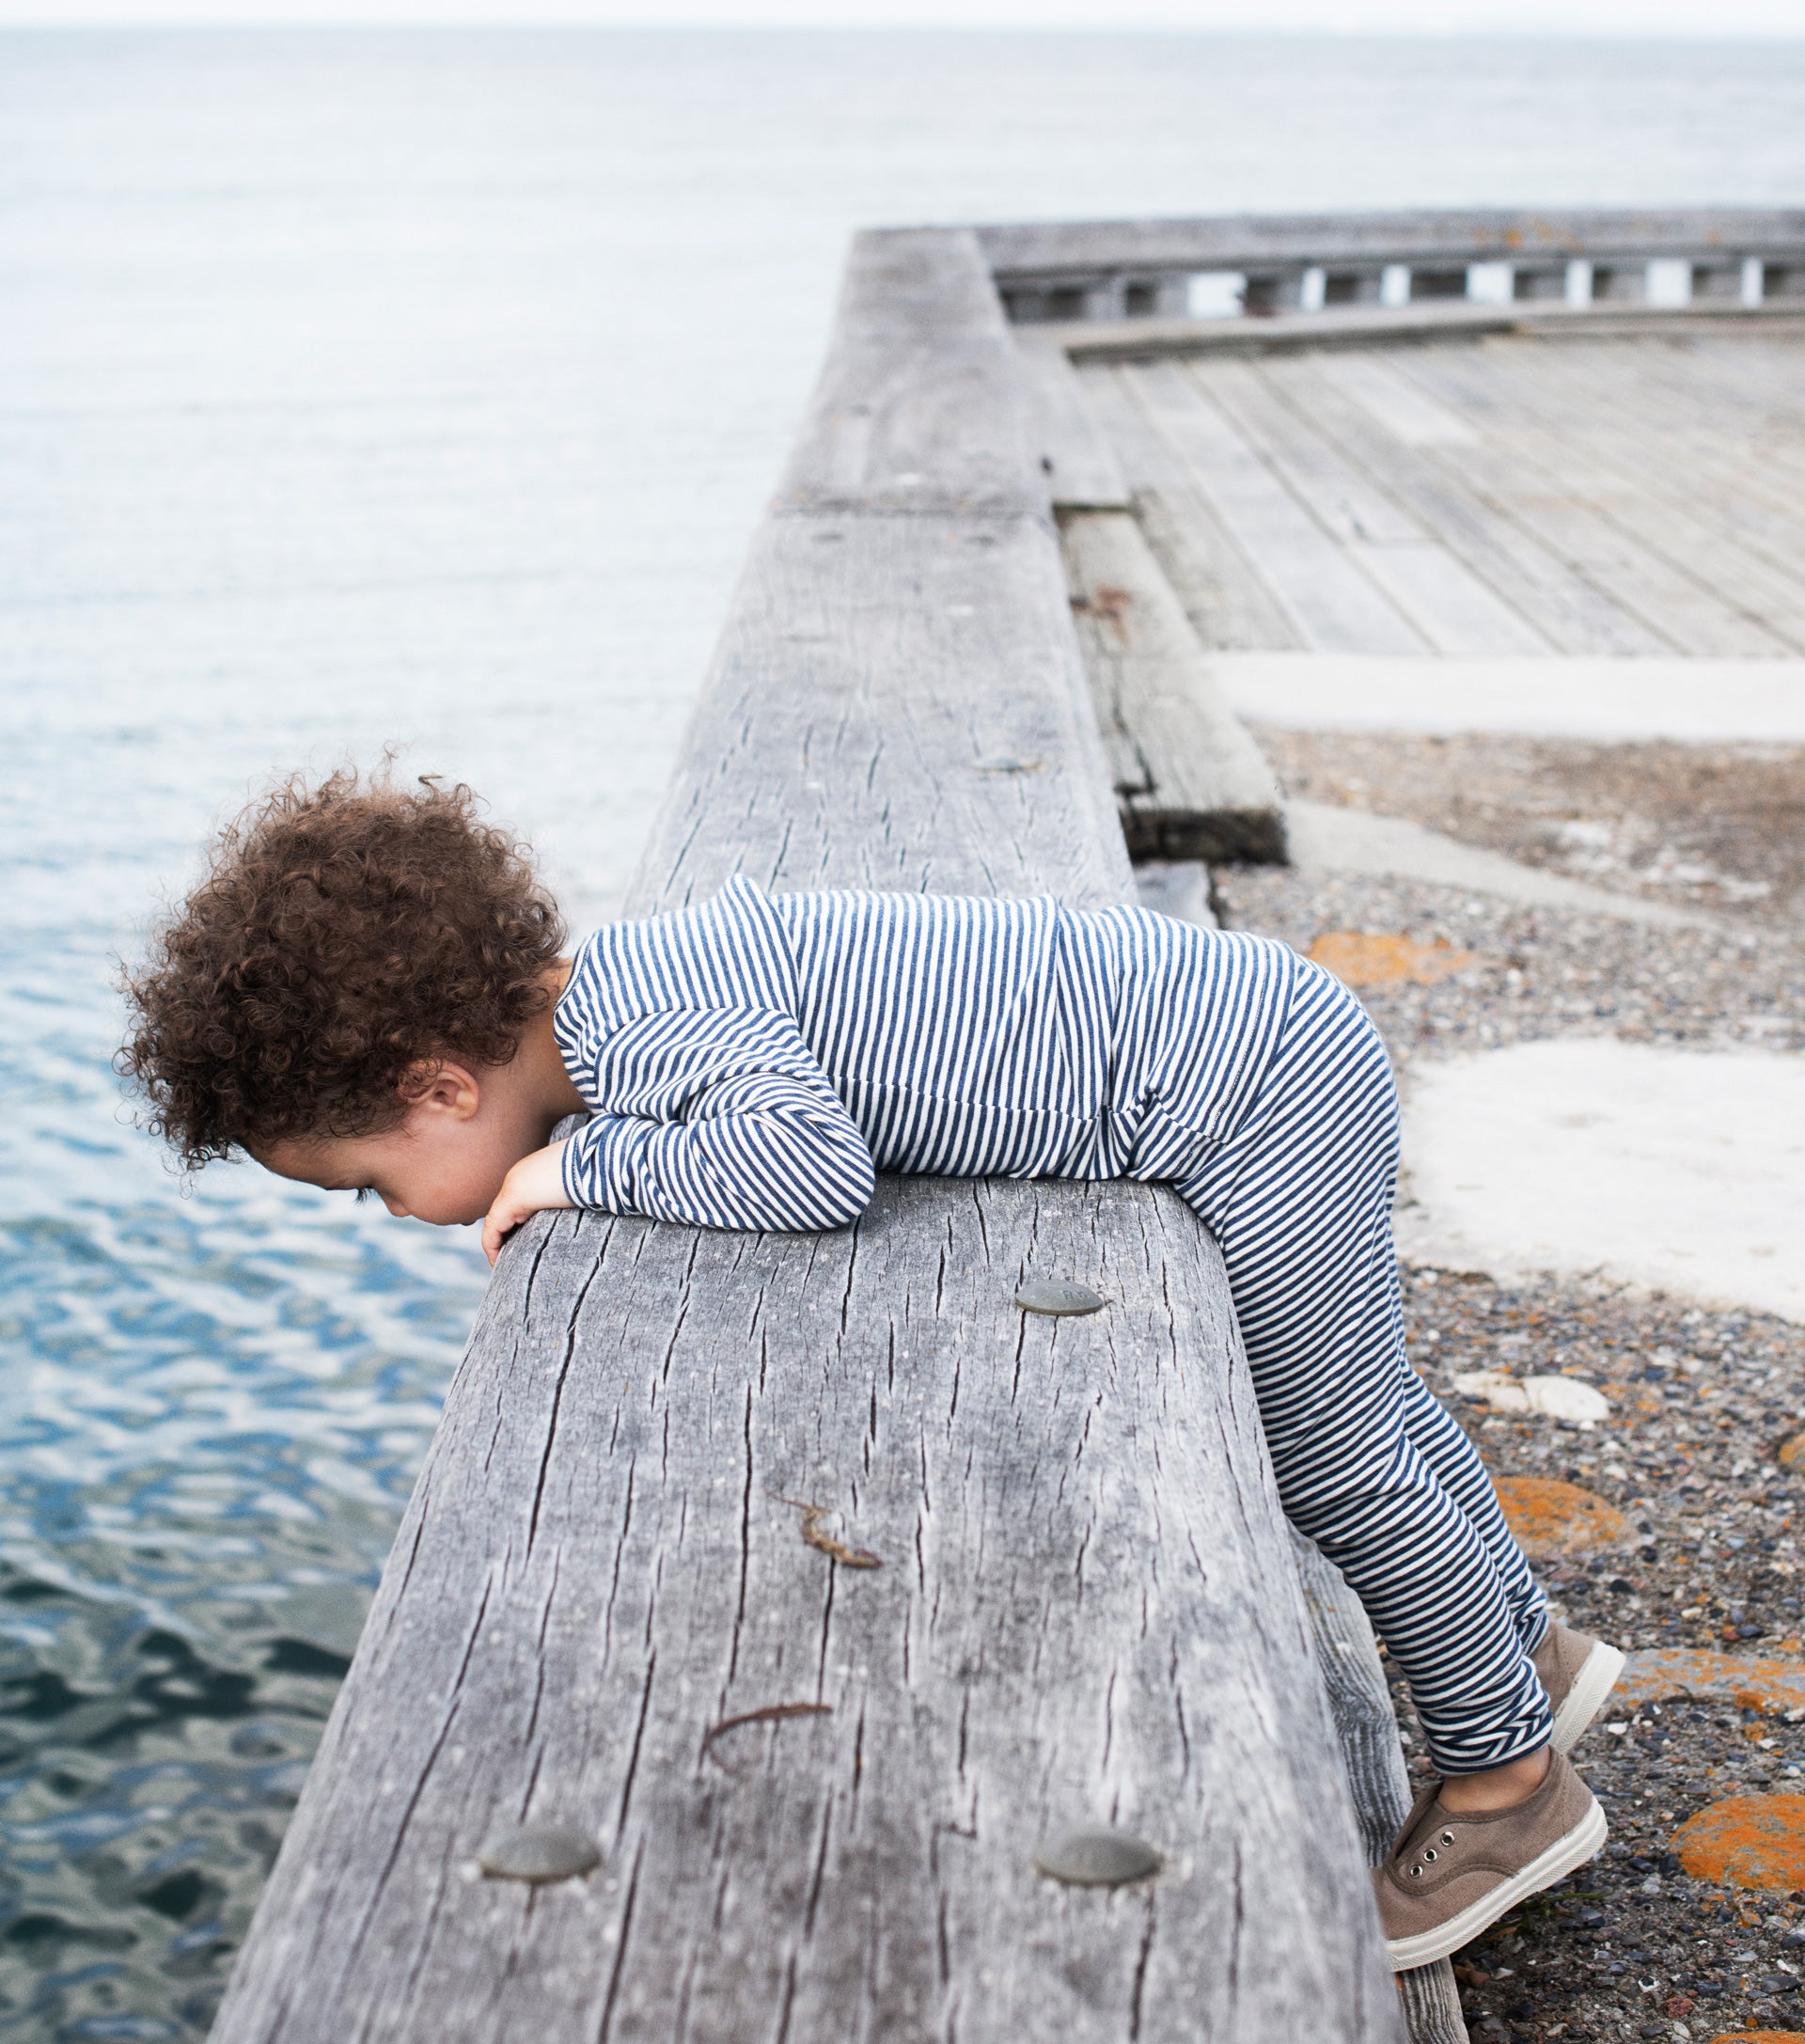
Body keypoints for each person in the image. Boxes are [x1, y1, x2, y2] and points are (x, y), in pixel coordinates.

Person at [122, 769, 1619, 1967]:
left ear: (440, 1087)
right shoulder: (638, 985)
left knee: (1331, 1456)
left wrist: (586, 1172)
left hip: (1242, 1091)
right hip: (1265, 1035)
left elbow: (808, 1164)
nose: (391, 1215)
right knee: (1373, 1405)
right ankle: (1528, 1653)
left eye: (372, 1184)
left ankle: (1506, 1786)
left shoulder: (643, 1032)